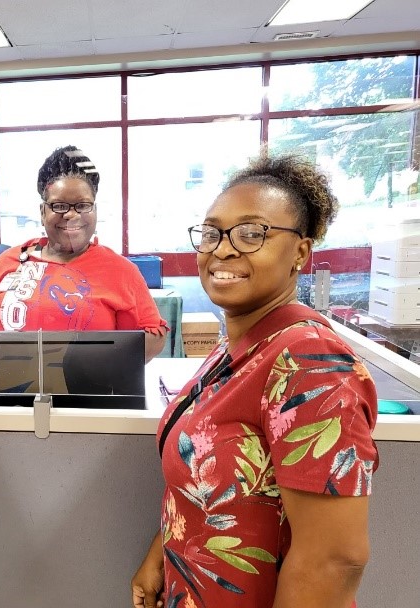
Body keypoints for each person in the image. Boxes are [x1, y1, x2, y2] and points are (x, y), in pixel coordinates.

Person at [132, 154, 378, 608]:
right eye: (212, 233)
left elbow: (334, 559)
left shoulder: (308, 362)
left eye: (252, 234)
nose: (222, 250)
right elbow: (208, 484)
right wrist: (159, 556)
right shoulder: (234, 349)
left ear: (301, 252)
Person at [0, 145, 168, 362]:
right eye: (59, 205)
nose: (71, 215)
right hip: (11, 391)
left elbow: (153, 336)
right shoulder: (11, 260)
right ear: (42, 212)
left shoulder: (120, 270)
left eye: (82, 205)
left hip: (88, 392)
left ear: (95, 210)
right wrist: (1, 358)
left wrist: (95, 365)